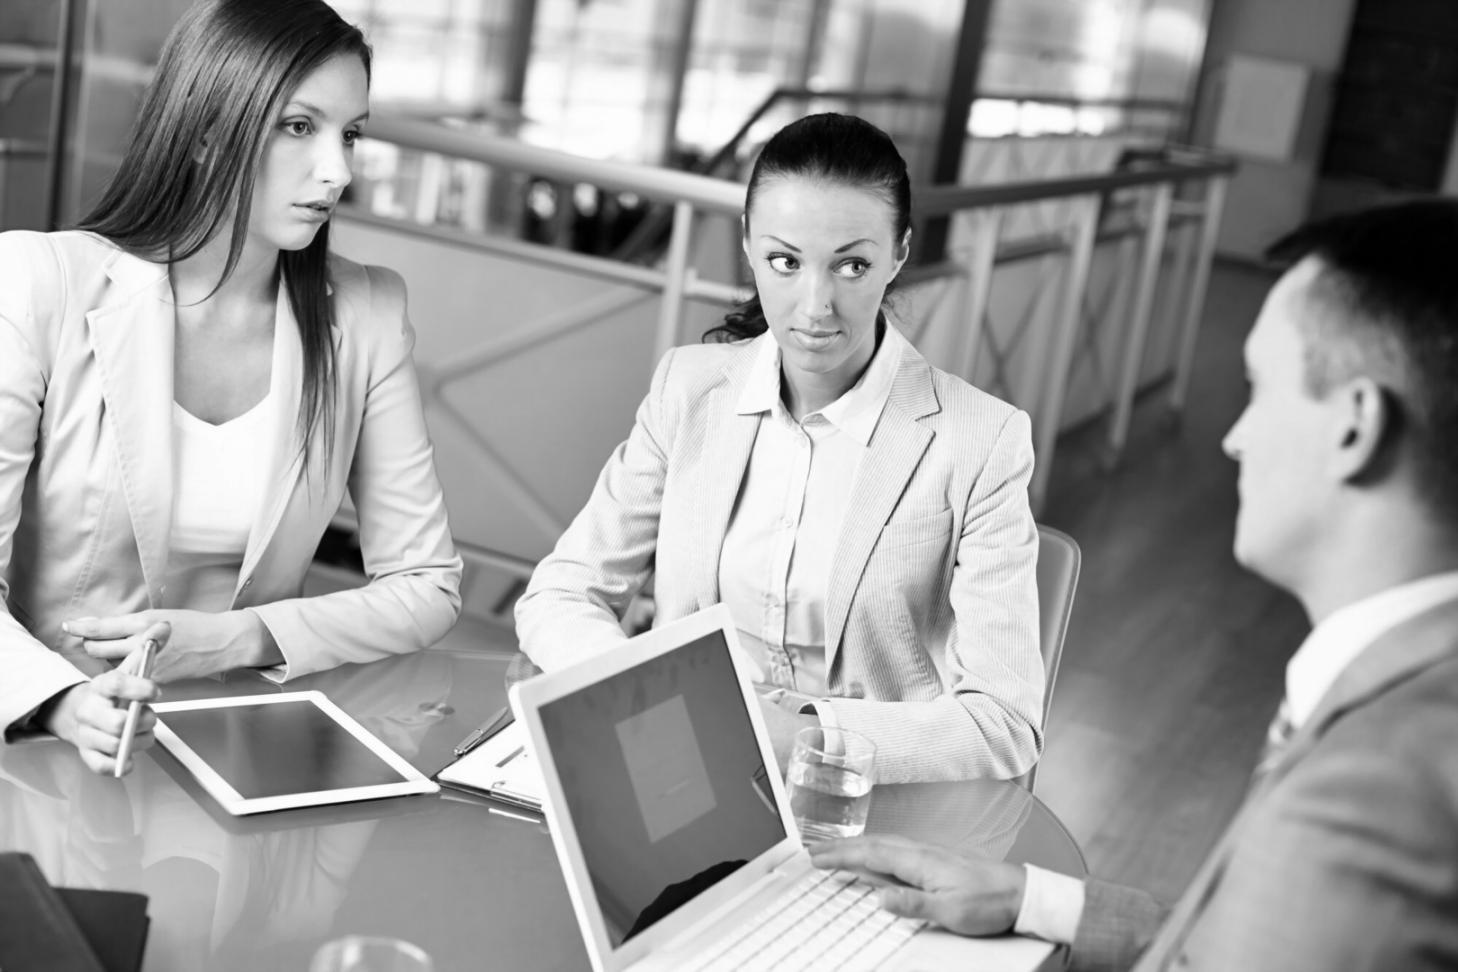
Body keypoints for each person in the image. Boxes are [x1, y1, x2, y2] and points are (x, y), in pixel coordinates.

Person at [810, 199, 1458, 970]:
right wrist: (1031, 901)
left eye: (1258, 389)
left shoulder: (1377, 792)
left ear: (1354, 425)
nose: (1233, 437)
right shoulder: (1411, 696)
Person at [0, 0, 462, 776]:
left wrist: (241, 638)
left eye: (351, 133)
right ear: (210, 132)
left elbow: (426, 584)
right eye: (298, 126)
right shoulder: (40, 283)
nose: (338, 171)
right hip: (53, 745)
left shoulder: (367, 312)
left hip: (245, 750)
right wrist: (54, 701)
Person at [515, 113, 1043, 783]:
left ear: (900, 254)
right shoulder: (689, 390)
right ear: (748, 246)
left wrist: (799, 735)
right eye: (785, 262)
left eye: (852, 265)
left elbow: (1004, 723)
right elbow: (560, 593)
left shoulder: (981, 440)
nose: (815, 306)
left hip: (864, 798)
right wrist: (647, 693)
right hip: (685, 773)